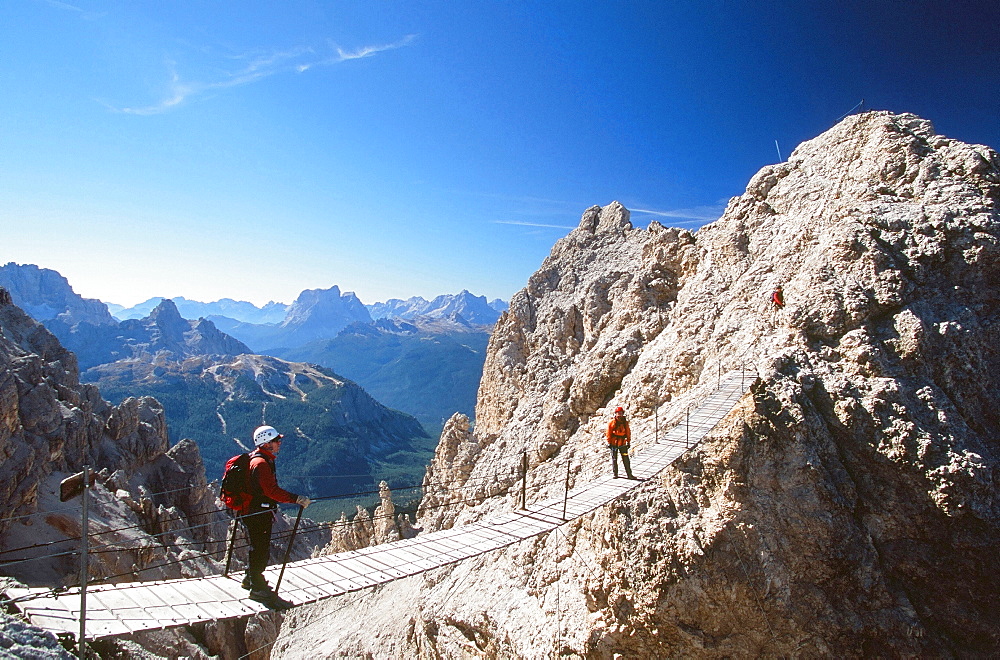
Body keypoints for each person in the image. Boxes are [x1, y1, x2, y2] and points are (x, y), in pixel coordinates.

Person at [241, 425, 311, 609]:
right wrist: (296, 499)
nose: (279, 443)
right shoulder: (262, 464)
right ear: (266, 443)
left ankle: (250, 578)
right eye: (276, 441)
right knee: (260, 549)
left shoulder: (258, 459)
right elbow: (271, 491)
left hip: (253, 510)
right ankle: (257, 589)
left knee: (257, 546)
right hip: (258, 512)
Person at [606, 406, 635, 479]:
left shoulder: (625, 422)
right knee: (614, 458)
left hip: (623, 443)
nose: (619, 414)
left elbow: (628, 432)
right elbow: (608, 433)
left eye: (621, 413)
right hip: (614, 443)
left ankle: (629, 474)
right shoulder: (611, 423)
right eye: (618, 413)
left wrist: (628, 441)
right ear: (615, 414)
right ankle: (615, 474)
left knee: (626, 458)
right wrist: (609, 442)